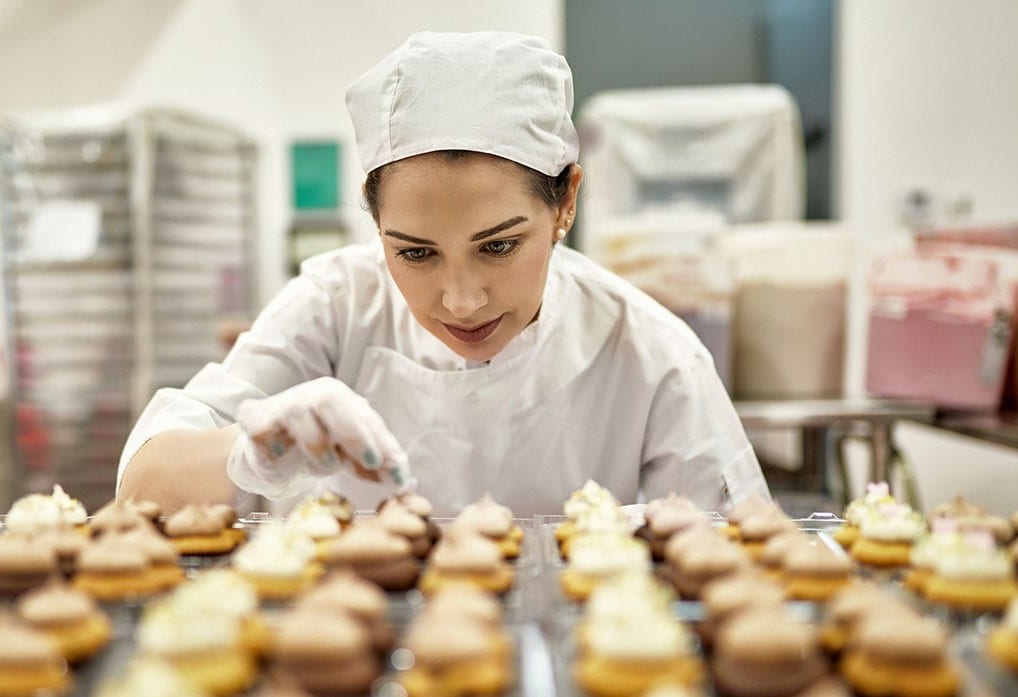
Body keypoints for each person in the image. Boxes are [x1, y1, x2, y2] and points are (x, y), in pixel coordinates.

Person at [117, 31, 769, 516]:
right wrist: (242, 453)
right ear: (375, 219)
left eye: (498, 246)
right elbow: (141, 487)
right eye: (415, 253)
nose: (460, 300)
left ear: (566, 202)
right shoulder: (336, 308)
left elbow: (739, 554)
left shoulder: (655, 359)